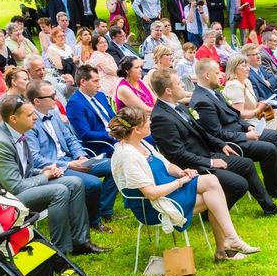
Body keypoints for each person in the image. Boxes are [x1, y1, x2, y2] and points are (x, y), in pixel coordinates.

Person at [110, 107, 260, 261]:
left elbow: (167, 165)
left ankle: (229, 241)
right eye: (146, 120)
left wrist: (180, 172)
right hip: (154, 205)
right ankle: (225, 248)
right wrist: (180, 182)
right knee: (215, 199)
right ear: (136, 130)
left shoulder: (142, 144)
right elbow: (151, 193)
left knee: (212, 181)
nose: (150, 122)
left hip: (170, 190)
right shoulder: (126, 156)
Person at [0, 95, 110, 255]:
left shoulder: (17, 130)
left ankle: (81, 242)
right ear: (13, 118)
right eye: (29, 115)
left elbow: (24, 168)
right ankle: (61, 251)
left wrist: (44, 171)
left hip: (18, 185)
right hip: (3, 200)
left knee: (74, 182)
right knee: (59, 191)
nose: (35, 117)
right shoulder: (0, 143)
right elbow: (15, 186)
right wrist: (45, 175)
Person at [150, 68, 277, 217]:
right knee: (239, 185)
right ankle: (208, 213)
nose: (183, 86)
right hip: (193, 166)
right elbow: (178, 155)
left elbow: (202, 132)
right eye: (179, 83)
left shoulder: (178, 107)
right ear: (168, 91)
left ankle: (269, 208)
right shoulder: (161, 118)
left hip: (208, 155)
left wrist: (221, 145)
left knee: (247, 164)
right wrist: (211, 163)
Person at [191, 58, 277, 201]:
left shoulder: (213, 92)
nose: (222, 75)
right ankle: (274, 190)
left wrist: (247, 126)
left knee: (272, 135)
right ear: (207, 76)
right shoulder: (202, 100)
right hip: (230, 142)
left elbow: (233, 116)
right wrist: (246, 136)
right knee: (268, 149)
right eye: (217, 73)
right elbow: (216, 134)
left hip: (239, 131)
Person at [26, 80, 116, 234]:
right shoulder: (29, 122)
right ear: (37, 101)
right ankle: (93, 221)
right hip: (55, 167)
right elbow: (36, 158)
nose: (56, 99)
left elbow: (70, 139)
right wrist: (68, 165)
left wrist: (80, 155)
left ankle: (103, 210)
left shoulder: (53, 114)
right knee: (93, 184)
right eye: (52, 96)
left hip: (72, 159)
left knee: (115, 166)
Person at [66, 65, 117, 157]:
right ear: (83, 82)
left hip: (118, 137)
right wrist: (111, 135)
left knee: (147, 138)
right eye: (95, 81)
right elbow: (85, 134)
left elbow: (113, 117)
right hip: (102, 145)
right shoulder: (75, 103)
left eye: (99, 81)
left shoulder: (100, 96)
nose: (99, 85)